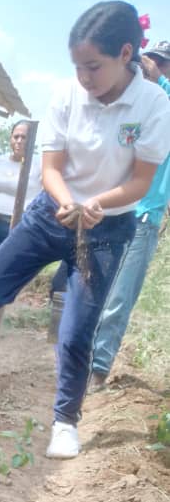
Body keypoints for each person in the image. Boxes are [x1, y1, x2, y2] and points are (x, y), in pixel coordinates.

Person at [0, 2, 170, 460]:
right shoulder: (66, 94)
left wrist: (97, 204)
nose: (84, 77)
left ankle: (64, 422)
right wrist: (68, 202)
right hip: (52, 212)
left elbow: (140, 180)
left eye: (93, 67)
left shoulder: (154, 105)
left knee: (78, 330)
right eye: (77, 66)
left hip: (107, 225)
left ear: (125, 54)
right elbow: (52, 167)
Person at [90, 41, 170, 387]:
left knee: (119, 298)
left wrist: (151, 71)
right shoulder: (137, 107)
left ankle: (97, 370)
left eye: (162, 64)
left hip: (144, 218)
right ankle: (80, 359)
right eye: (153, 59)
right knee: (95, 290)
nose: (153, 68)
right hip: (114, 211)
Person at [0, 121, 42, 265]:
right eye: (16, 136)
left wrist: (32, 215)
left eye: (24, 137)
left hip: (17, 227)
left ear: (31, 140)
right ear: (10, 138)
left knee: (5, 273)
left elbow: (47, 191)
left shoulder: (38, 164)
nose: (19, 141)